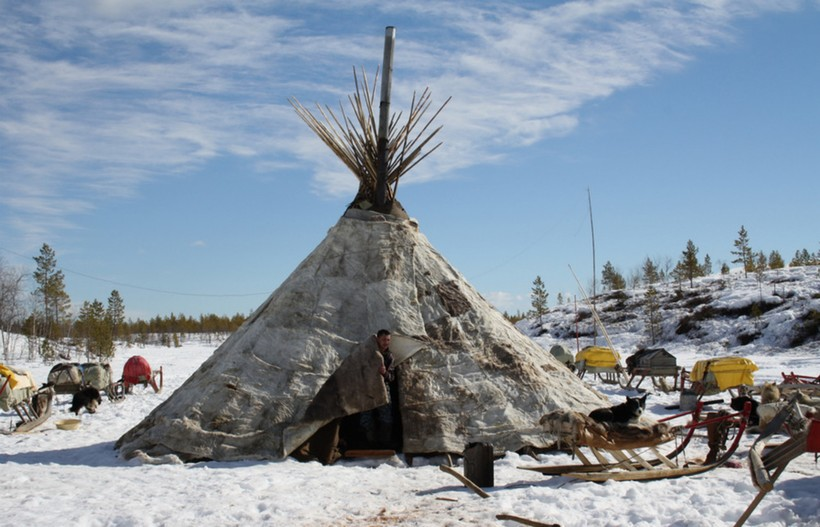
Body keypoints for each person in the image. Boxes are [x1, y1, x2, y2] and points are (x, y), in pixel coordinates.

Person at [360, 329, 399, 449]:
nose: (385, 343)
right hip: (368, 389)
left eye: (388, 340)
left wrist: (385, 373)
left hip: (383, 389)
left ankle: (384, 443)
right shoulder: (368, 353)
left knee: (386, 417)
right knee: (366, 418)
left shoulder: (389, 357)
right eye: (383, 340)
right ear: (377, 339)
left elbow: (391, 377)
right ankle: (370, 443)